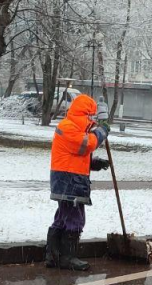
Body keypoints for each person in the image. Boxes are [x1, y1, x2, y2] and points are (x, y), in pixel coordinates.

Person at [46, 93, 111, 271]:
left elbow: (75, 155)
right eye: (92, 116)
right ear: (85, 114)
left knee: (62, 218)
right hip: (69, 182)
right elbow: (86, 145)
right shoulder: (69, 127)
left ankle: (53, 256)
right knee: (75, 219)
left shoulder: (73, 126)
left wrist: (93, 163)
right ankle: (68, 257)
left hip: (68, 179)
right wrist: (103, 130)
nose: (93, 121)